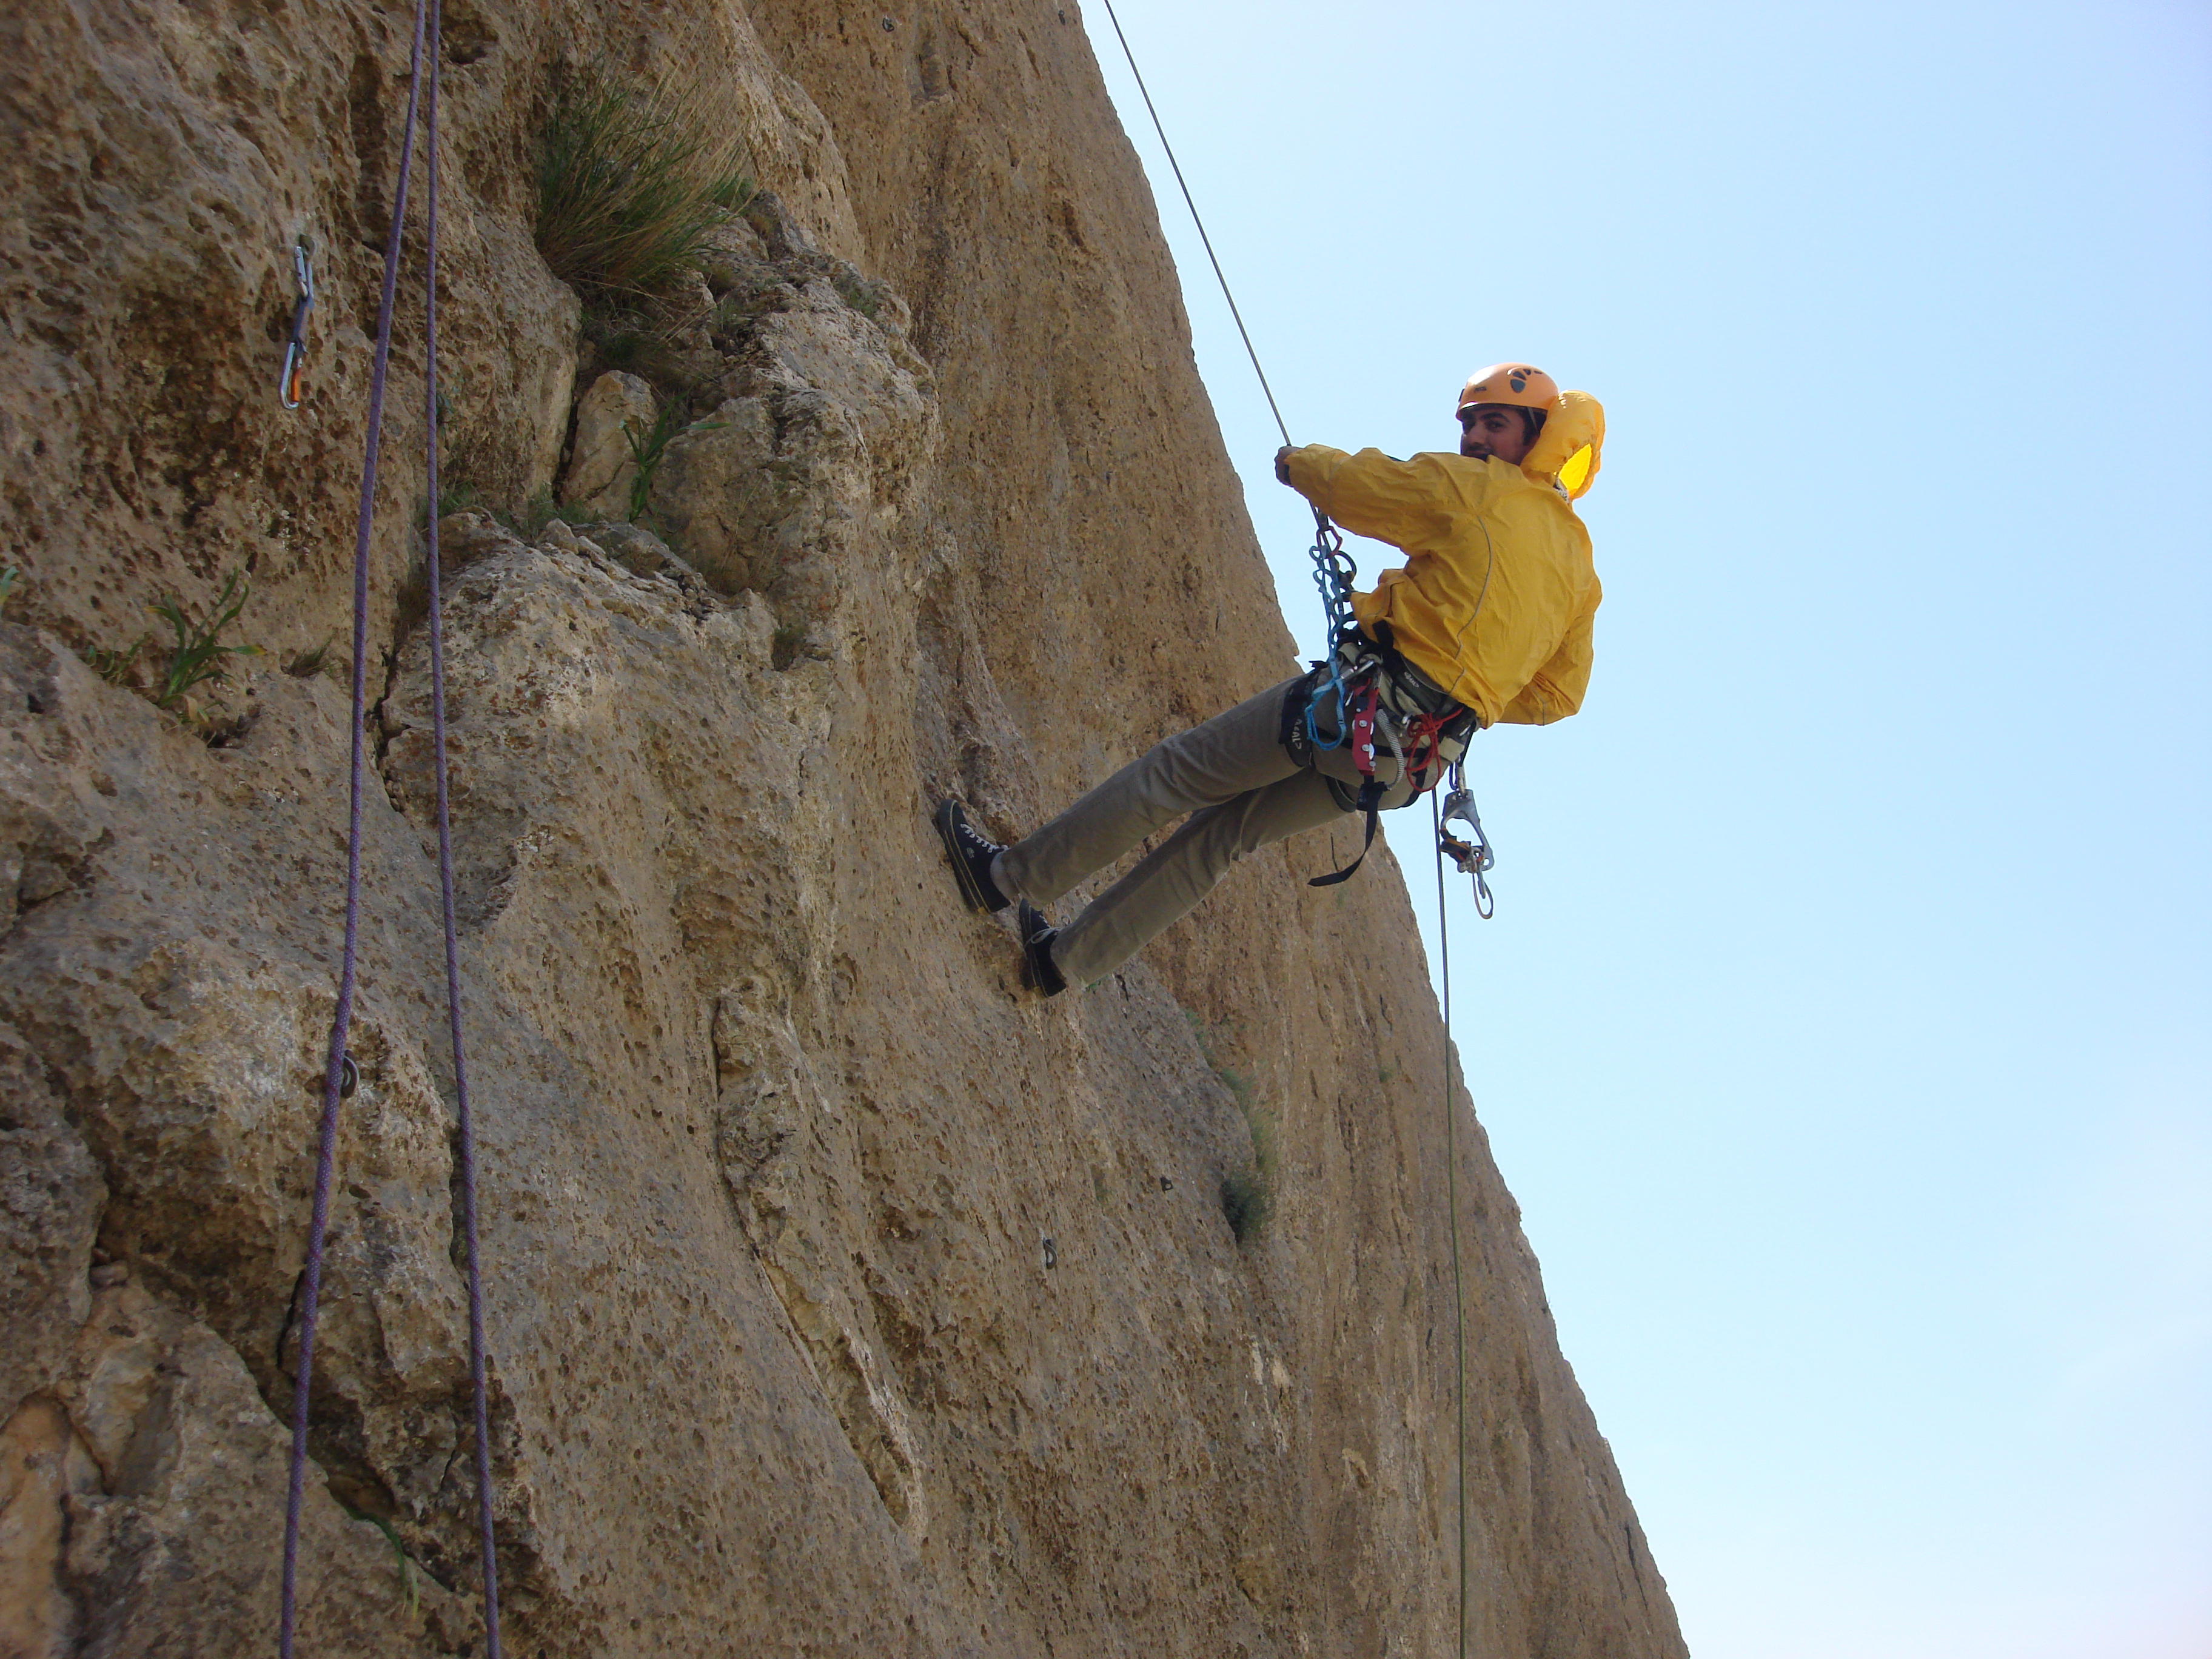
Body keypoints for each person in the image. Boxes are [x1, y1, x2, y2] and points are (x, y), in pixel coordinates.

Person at [936, 363, 1606, 996]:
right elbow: (1557, 695)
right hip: (1406, 765)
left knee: (1174, 775)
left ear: (1537, 435)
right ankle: (1064, 964)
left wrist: (1298, 466)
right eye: (1470, 423)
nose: (1475, 437)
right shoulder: (1579, 566)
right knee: (1224, 840)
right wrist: (1470, 688)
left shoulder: (1480, 489)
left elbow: (1360, 489)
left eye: (1495, 423)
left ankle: (1002, 878)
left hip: (1354, 711)